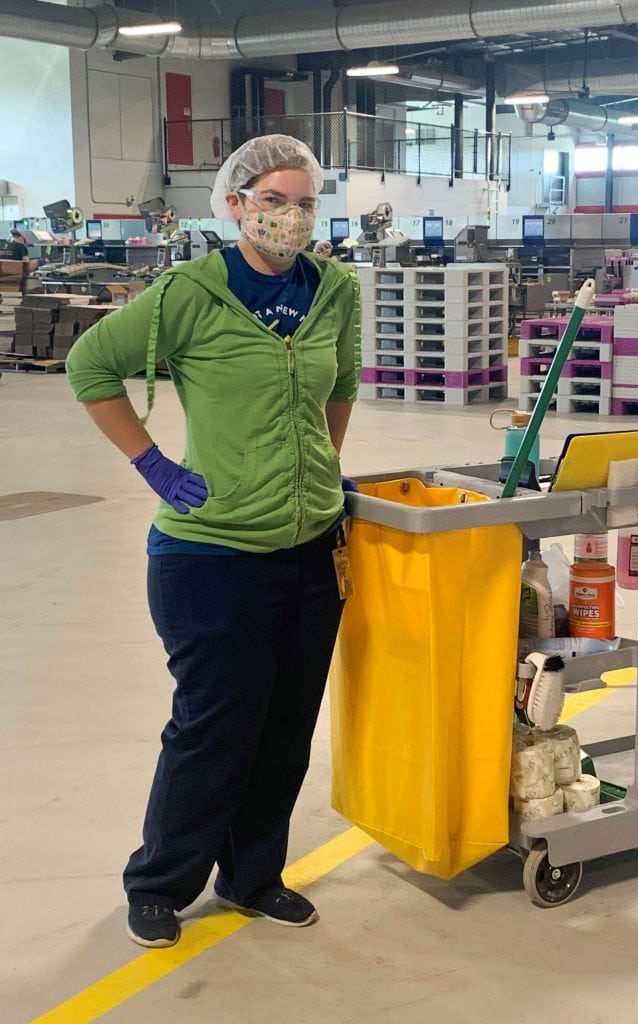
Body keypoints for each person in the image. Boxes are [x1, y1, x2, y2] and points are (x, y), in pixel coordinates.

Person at [65, 135, 361, 948]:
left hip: (309, 549)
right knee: (212, 728)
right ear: (233, 205)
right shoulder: (187, 293)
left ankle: (253, 876)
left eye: (303, 202)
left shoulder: (333, 289)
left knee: (285, 728)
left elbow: (342, 383)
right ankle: (160, 882)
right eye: (273, 200)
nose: (291, 217)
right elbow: (89, 366)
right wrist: (153, 463)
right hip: (212, 557)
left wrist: (320, 469)